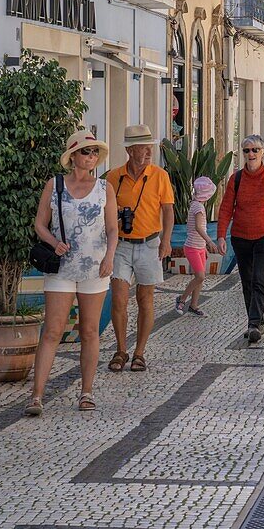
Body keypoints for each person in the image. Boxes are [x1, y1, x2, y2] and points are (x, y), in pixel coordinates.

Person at [25, 130, 118, 415]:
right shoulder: (54, 186)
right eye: (85, 152)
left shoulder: (105, 189)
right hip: (62, 268)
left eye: (94, 153)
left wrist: (110, 257)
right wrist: (54, 243)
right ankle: (37, 396)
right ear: (73, 156)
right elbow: (40, 224)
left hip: (95, 266)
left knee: (90, 332)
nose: (90, 158)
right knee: (52, 331)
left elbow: (112, 228)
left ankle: (86, 392)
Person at [105, 124, 175, 373]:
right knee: (119, 299)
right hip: (122, 246)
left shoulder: (160, 176)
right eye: (143, 147)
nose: (148, 152)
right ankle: (121, 349)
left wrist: (166, 241)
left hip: (149, 244)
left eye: (149, 147)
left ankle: (139, 352)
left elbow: (168, 210)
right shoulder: (113, 177)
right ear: (130, 150)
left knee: (145, 299)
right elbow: (105, 212)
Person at [218, 135, 264, 343]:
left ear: (263, 152)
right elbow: (226, 207)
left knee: (258, 277)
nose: (251, 154)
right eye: (247, 151)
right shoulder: (236, 179)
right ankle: (254, 320)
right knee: (246, 280)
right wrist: (220, 236)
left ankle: (254, 323)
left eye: (255, 150)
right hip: (240, 236)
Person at [176, 176, 217, 316]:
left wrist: (203, 246)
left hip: (199, 247)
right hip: (192, 247)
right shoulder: (198, 207)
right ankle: (182, 299)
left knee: (201, 276)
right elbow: (199, 228)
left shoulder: (196, 204)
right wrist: (210, 242)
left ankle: (194, 305)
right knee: (200, 276)